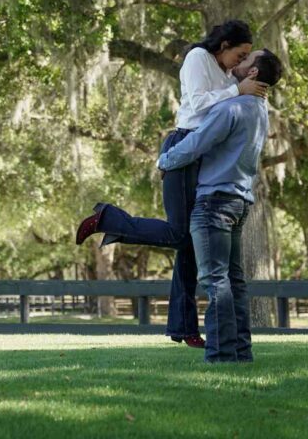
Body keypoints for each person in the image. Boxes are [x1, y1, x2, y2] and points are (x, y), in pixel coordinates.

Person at [79, 49, 284, 363]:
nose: (237, 65)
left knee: (215, 281)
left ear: (253, 73)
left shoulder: (232, 108)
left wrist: (165, 159)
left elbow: (198, 141)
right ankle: (241, 352)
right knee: (234, 283)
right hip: (240, 202)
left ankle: (219, 354)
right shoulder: (260, 108)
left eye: (245, 62)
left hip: (214, 202)